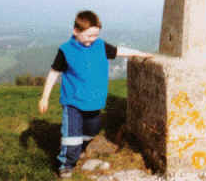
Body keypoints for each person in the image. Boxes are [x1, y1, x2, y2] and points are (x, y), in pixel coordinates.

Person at [38, 10, 152, 179]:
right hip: (73, 102)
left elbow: (119, 50)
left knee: (92, 130)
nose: (92, 39)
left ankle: (80, 148)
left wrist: (140, 54)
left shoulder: (100, 46)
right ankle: (66, 164)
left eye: (95, 35)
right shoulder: (66, 50)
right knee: (71, 137)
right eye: (89, 36)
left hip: (93, 101)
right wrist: (45, 97)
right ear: (76, 31)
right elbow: (54, 72)